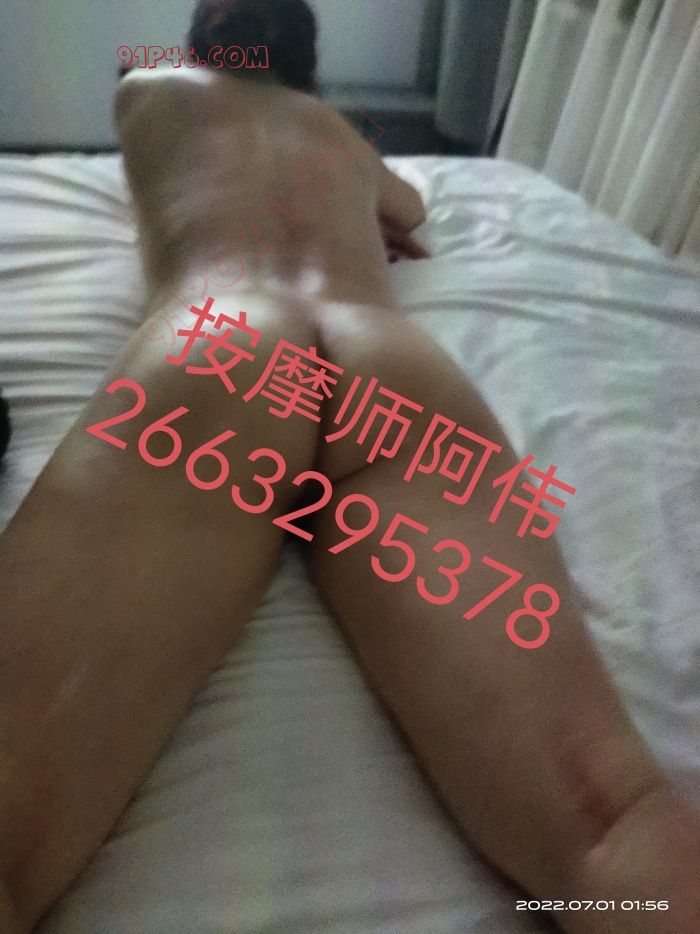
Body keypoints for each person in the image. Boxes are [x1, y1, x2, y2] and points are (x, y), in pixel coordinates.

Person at [0, 1, 698, 931]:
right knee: (608, 820)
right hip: (384, 355)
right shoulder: (343, 137)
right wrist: (353, 180)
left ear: (205, 39)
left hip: (225, 340)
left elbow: (143, 59)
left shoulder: (153, 87)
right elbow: (414, 209)